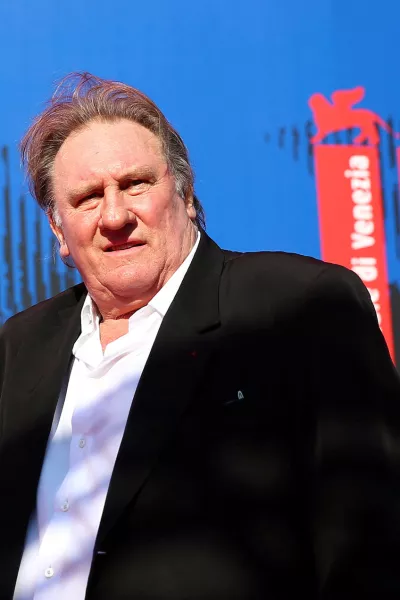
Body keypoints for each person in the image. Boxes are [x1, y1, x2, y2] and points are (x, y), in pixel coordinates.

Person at [1, 72, 400, 600]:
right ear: (59, 232)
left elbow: (372, 544)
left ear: (185, 194)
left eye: (136, 184)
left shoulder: (299, 308)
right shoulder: (18, 346)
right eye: (88, 198)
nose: (115, 215)